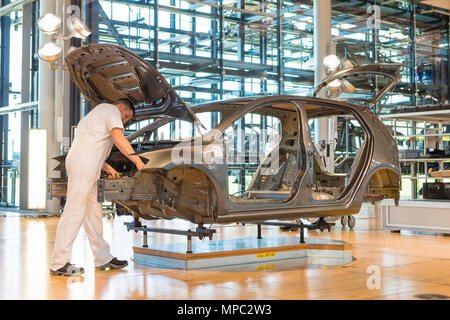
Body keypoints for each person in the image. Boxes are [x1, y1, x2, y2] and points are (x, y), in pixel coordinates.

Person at [49, 98, 145, 276]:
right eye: (126, 116)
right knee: (74, 211)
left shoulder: (92, 117)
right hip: (84, 166)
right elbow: (119, 139)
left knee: (93, 213)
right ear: (120, 107)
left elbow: (92, 148)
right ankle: (59, 263)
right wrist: (138, 162)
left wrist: (108, 168)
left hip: (86, 165)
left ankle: (102, 258)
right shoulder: (111, 110)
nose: (125, 121)